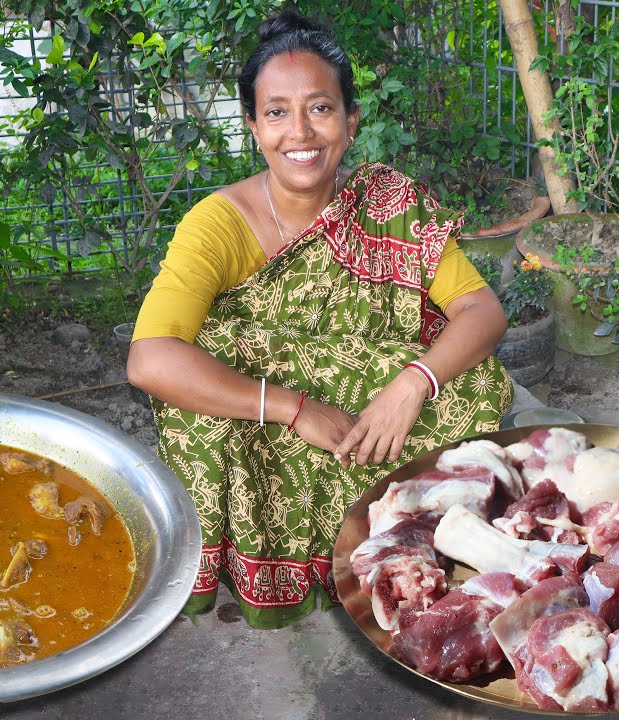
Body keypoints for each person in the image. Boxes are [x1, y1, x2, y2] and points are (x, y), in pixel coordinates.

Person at [126, 9, 512, 629]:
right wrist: (294, 408)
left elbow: (481, 310)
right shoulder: (217, 224)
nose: (299, 132)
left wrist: (411, 384)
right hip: (270, 406)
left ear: (351, 121)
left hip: (367, 397)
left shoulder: (388, 204)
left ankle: (398, 541)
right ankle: (283, 558)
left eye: (320, 108)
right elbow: (150, 358)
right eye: (276, 111)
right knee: (204, 378)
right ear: (253, 127)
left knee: (468, 377)